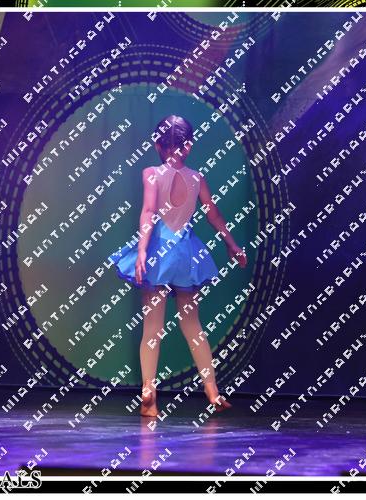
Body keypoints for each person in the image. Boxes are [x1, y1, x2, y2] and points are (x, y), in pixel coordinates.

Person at [109, 115, 247, 418]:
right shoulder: (197, 178)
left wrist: (142, 251)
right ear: (189, 146)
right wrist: (231, 243)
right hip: (185, 253)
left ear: (157, 145)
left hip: (159, 252)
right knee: (192, 325)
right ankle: (211, 389)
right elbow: (213, 214)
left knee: (152, 328)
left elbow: (148, 212)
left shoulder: (151, 174)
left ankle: (149, 391)